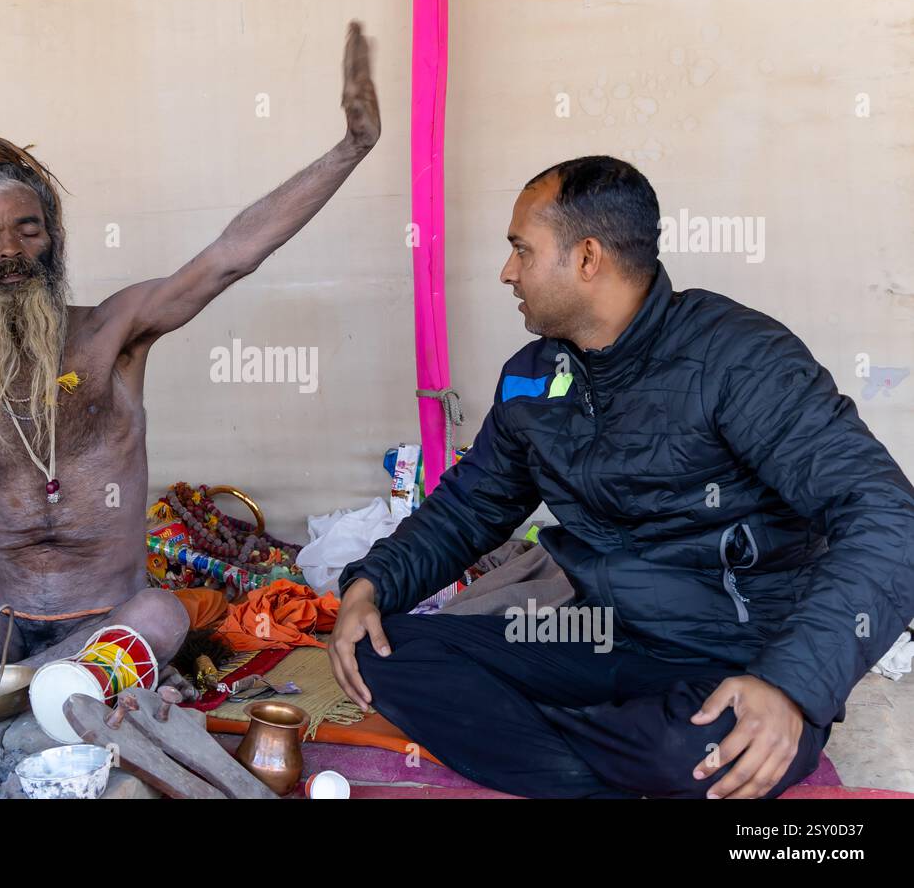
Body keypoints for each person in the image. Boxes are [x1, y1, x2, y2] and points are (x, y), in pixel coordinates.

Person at [0, 21, 380, 707]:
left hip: (108, 622)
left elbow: (230, 255)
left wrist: (350, 149)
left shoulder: (114, 334)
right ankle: (33, 697)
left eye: (29, 229)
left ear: (55, 238)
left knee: (161, 614)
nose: (12, 250)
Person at [329, 156, 914, 799]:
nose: (507, 271)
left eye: (521, 250)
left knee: (683, 750)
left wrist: (792, 685)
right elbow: (471, 507)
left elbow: (887, 515)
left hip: (742, 658)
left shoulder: (740, 359)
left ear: (587, 258)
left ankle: (578, 752)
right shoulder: (533, 375)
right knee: (378, 648)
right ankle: (609, 758)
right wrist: (374, 582)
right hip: (603, 637)